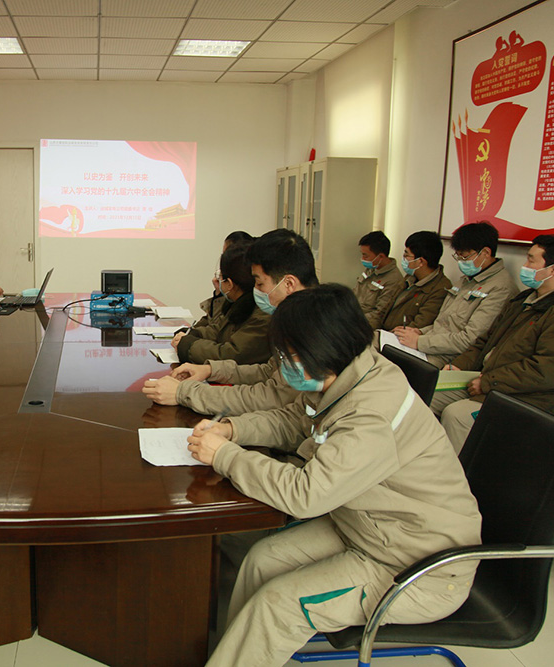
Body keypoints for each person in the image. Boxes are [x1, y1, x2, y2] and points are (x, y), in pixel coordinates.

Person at [186, 285, 481, 666]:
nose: (283, 365)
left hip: (417, 565)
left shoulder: (370, 414)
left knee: (278, 606)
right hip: (368, 527)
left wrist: (226, 456)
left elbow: (306, 496)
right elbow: (297, 420)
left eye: (287, 355)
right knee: (263, 560)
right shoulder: (349, 372)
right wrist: (232, 430)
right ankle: (234, 655)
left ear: (323, 348)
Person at [430, 234, 554, 451]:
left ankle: (458, 479)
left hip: (522, 399)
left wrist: (488, 382)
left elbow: (545, 373)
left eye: (531, 261)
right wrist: (458, 365)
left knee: (456, 415)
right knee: (423, 392)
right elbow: (485, 340)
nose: (524, 266)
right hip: (485, 380)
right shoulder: (522, 302)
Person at [142, 229, 316, 415]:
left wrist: (184, 393)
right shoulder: (296, 317)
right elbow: (268, 372)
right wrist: (210, 370)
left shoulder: (315, 325)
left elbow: (272, 396)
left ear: (288, 284)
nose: (256, 291)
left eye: (259, 284)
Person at [392, 221, 518, 367]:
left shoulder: (501, 288)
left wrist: (419, 342)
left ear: (485, 253)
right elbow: (442, 323)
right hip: (430, 345)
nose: (460, 262)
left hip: (448, 357)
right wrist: (419, 332)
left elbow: (469, 340)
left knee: (391, 367)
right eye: (457, 256)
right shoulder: (466, 280)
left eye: (464, 257)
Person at [171, 242, 270, 365]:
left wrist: (189, 346)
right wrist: (193, 334)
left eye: (220, 277)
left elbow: (232, 354)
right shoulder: (238, 303)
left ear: (229, 283)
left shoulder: (262, 314)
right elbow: (218, 331)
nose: (216, 280)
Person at [379, 231, 452, 331]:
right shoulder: (410, 277)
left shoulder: (440, 288)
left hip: (398, 340)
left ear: (420, 261)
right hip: (382, 333)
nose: (404, 258)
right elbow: (384, 310)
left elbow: (418, 326)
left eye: (406, 255)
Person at [197, 230, 254, 329]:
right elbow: (214, 327)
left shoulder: (247, 302)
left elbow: (219, 331)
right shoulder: (234, 296)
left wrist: (221, 294)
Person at [354, 230, 403, 328]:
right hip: (352, 315)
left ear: (380, 256)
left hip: (363, 325)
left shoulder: (394, 280)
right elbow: (356, 293)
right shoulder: (371, 268)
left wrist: (350, 322)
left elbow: (378, 316)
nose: (362, 258)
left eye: (365, 255)